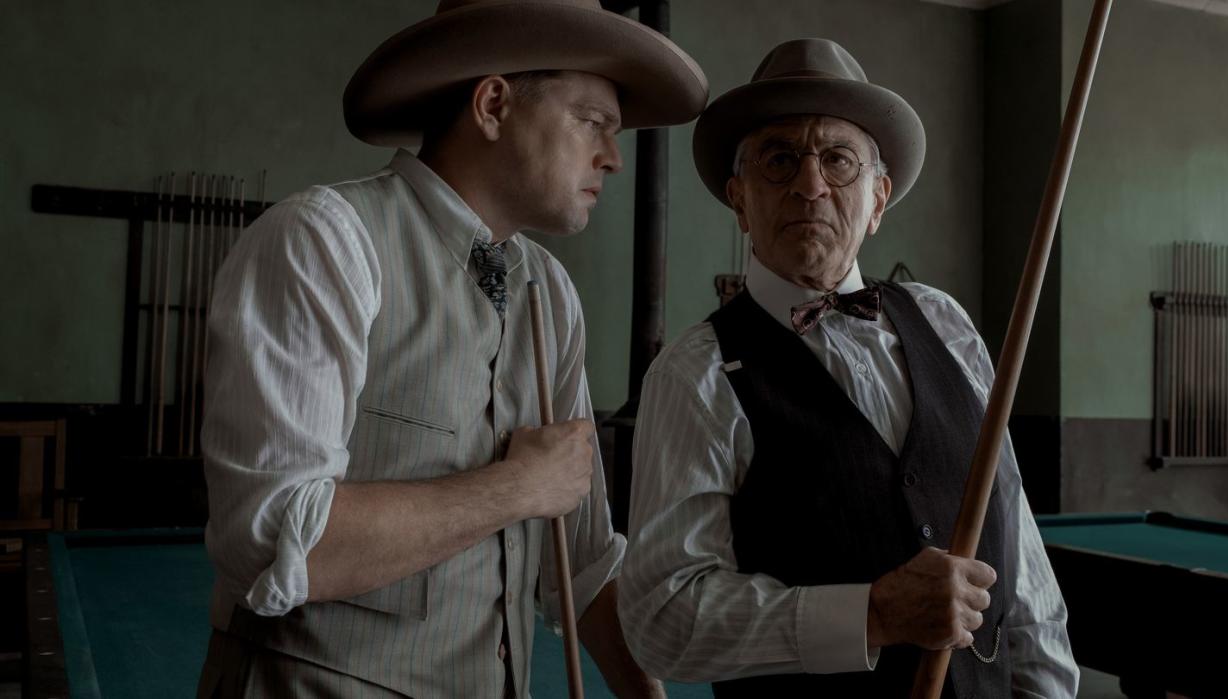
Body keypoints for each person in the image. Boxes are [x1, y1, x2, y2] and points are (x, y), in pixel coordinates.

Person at [195, 1, 707, 697]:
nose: (614, 158)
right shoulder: (322, 241)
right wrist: (515, 488)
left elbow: (582, 563)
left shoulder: (550, 294)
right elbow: (275, 537)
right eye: (592, 121)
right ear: (493, 104)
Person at [618, 38, 1078, 697]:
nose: (811, 185)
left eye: (838, 159)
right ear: (740, 200)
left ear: (879, 197)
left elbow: (1020, 557)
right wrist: (873, 613)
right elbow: (663, 620)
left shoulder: (945, 323)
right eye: (780, 160)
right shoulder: (694, 372)